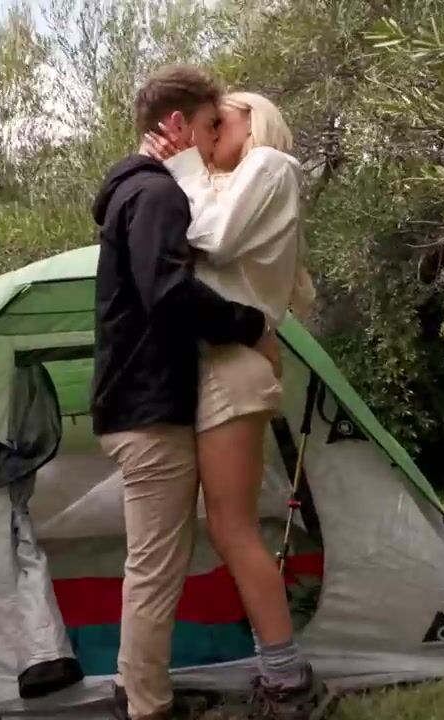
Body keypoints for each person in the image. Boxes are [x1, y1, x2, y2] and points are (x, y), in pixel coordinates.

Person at [89, 65, 281, 720]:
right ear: (177, 125)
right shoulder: (156, 195)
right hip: (149, 410)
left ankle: (138, 688)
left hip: (133, 404)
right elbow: (170, 296)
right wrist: (251, 324)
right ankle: (147, 707)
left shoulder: (130, 192)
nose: (211, 138)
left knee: (151, 563)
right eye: (207, 124)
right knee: (156, 567)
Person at [140, 91, 327, 719]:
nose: (210, 128)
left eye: (222, 118)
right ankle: (278, 671)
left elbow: (213, 240)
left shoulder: (273, 165)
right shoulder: (227, 183)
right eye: (206, 121)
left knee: (232, 528)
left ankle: (287, 680)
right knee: (225, 527)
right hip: (217, 364)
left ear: (256, 122)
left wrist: (181, 164)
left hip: (232, 365)